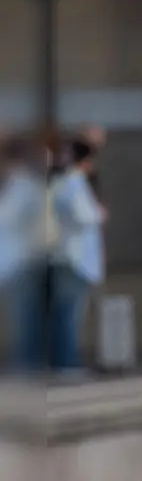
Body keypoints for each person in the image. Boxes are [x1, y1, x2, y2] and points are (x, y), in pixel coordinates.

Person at [44, 136, 105, 375]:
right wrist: (99, 213)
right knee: (70, 315)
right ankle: (67, 363)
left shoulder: (57, 183)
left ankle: (59, 361)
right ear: (86, 162)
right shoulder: (75, 183)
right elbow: (82, 216)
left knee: (61, 313)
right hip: (76, 258)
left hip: (61, 256)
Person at [0, 131, 48, 374]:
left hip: (20, 262)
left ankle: (28, 366)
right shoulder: (14, 186)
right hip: (12, 263)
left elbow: (12, 220)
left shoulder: (24, 186)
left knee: (23, 319)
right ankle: (26, 365)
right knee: (21, 318)